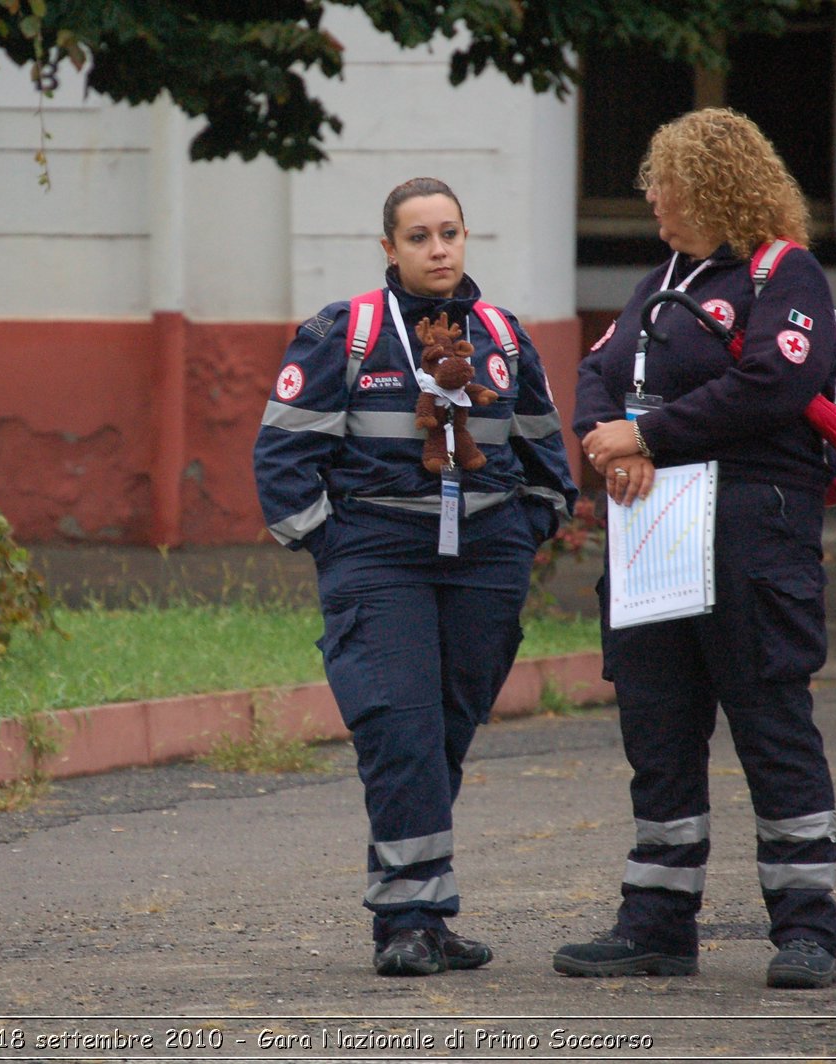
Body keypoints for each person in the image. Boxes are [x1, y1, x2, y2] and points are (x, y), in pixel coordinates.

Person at [252, 177, 577, 977]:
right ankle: (406, 919)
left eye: (451, 233)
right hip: (377, 557)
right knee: (400, 731)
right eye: (420, 236)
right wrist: (333, 546)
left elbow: (544, 453)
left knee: (443, 733)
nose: (439, 249)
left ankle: (424, 908)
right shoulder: (346, 332)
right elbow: (283, 456)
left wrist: (524, 532)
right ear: (390, 248)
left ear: (466, 239)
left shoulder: (503, 335)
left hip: (486, 563)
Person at [552, 108, 836, 989]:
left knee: (770, 722)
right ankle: (656, 924)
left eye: (664, 179)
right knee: (659, 726)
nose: (650, 195)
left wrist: (652, 440)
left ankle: (805, 931)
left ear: (713, 184)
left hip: (754, 533)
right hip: (654, 538)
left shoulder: (782, 274)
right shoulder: (661, 280)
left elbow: (776, 382)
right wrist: (609, 432)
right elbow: (598, 371)